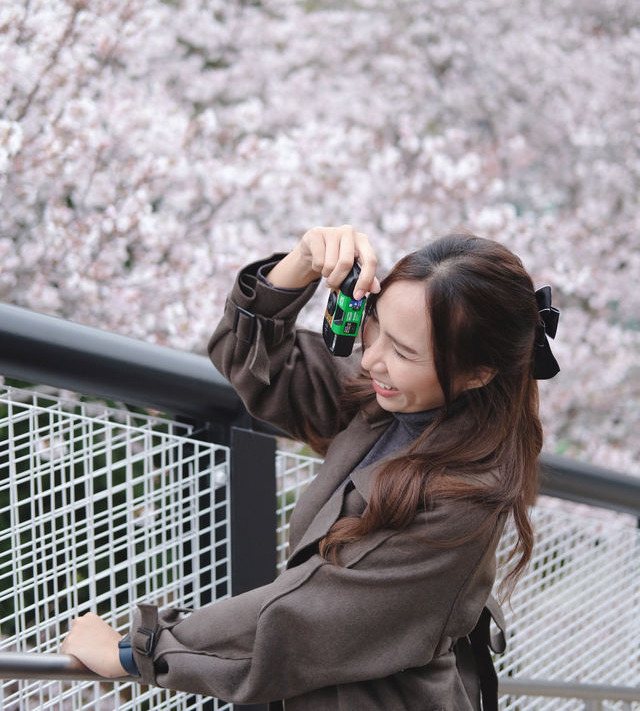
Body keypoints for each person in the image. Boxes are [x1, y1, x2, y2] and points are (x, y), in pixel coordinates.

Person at [61, 224, 560, 710]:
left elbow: (305, 620)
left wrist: (133, 652)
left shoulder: (464, 499)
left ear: (478, 373)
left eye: (404, 352)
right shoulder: (392, 403)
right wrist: (297, 265)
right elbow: (252, 363)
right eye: (376, 325)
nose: (371, 361)